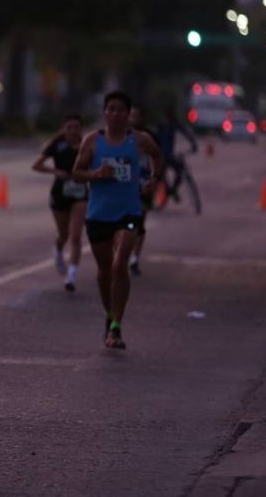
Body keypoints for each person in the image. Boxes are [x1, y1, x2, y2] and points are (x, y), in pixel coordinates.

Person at [72, 91, 162, 349]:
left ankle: (116, 326)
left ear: (128, 114)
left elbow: (157, 155)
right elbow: (77, 174)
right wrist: (97, 173)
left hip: (129, 212)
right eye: (110, 109)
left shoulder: (139, 140)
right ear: (104, 113)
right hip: (99, 213)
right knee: (104, 271)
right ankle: (108, 315)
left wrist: (153, 180)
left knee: (119, 264)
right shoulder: (92, 141)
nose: (115, 114)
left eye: (120, 109)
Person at [32, 114, 88, 291]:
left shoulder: (88, 145)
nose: (73, 131)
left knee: (76, 235)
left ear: (81, 129)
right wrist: (56, 172)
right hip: (60, 193)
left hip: (81, 193)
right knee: (63, 234)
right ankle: (58, 252)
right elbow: (36, 165)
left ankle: (71, 275)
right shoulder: (57, 145)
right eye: (69, 127)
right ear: (64, 129)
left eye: (76, 127)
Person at [127, 106, 158, 276]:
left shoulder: (147, 137)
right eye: (131, 115)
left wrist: (154, 179)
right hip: (124, 186)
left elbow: (157, 156)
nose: (134, 119)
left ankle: (134, 258)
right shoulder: (120, 135)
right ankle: (123, 252)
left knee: (138, 223)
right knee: (123, 222)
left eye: (137, 115)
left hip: (143, 184)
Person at [155, 106, 197, 203]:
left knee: (177, 172)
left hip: (166, 155)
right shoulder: (165, 125)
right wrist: (193, 145)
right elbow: (186, 133)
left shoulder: (170, 124)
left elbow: (186, 133)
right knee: (171, 173)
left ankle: (170, 190)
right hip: (163, 155)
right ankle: (169, 190)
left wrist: (193, 144)